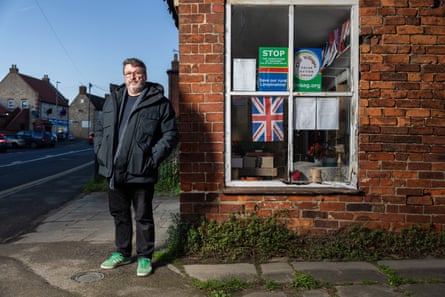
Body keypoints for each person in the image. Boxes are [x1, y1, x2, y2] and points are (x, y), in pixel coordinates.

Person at [94, 58, 179, 277]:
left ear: (145, 74)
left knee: (143, 216)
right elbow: (100, 128)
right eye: (129, 73)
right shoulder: (113, 100)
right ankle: (122, 252)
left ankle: (144, 257)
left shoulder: (159, 102)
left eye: (137, 72)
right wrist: (101, 152)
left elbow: (170, 135)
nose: (133, 77)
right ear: (124, 76)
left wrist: (152, 158)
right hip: (114, 170)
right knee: (120, 215)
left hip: (141, 170)